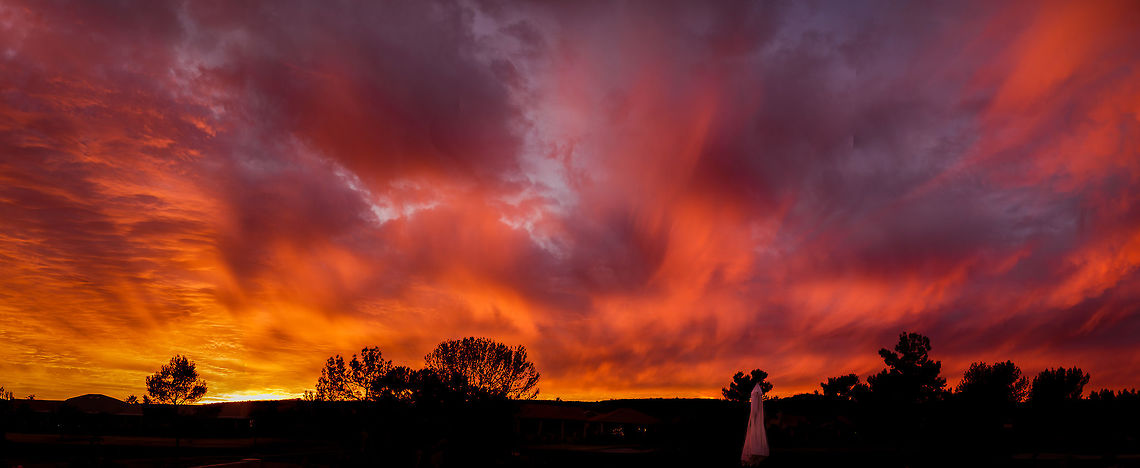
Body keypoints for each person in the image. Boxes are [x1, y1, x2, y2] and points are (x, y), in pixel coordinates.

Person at [741, 382, 769, 465]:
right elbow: (755, 410)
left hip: (756, 418)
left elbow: (756, 410)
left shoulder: (756, 395)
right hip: (755, 418)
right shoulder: (756, 395)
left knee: (755, 433)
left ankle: (754, 456)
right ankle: (753, 456)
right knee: (754, 434)